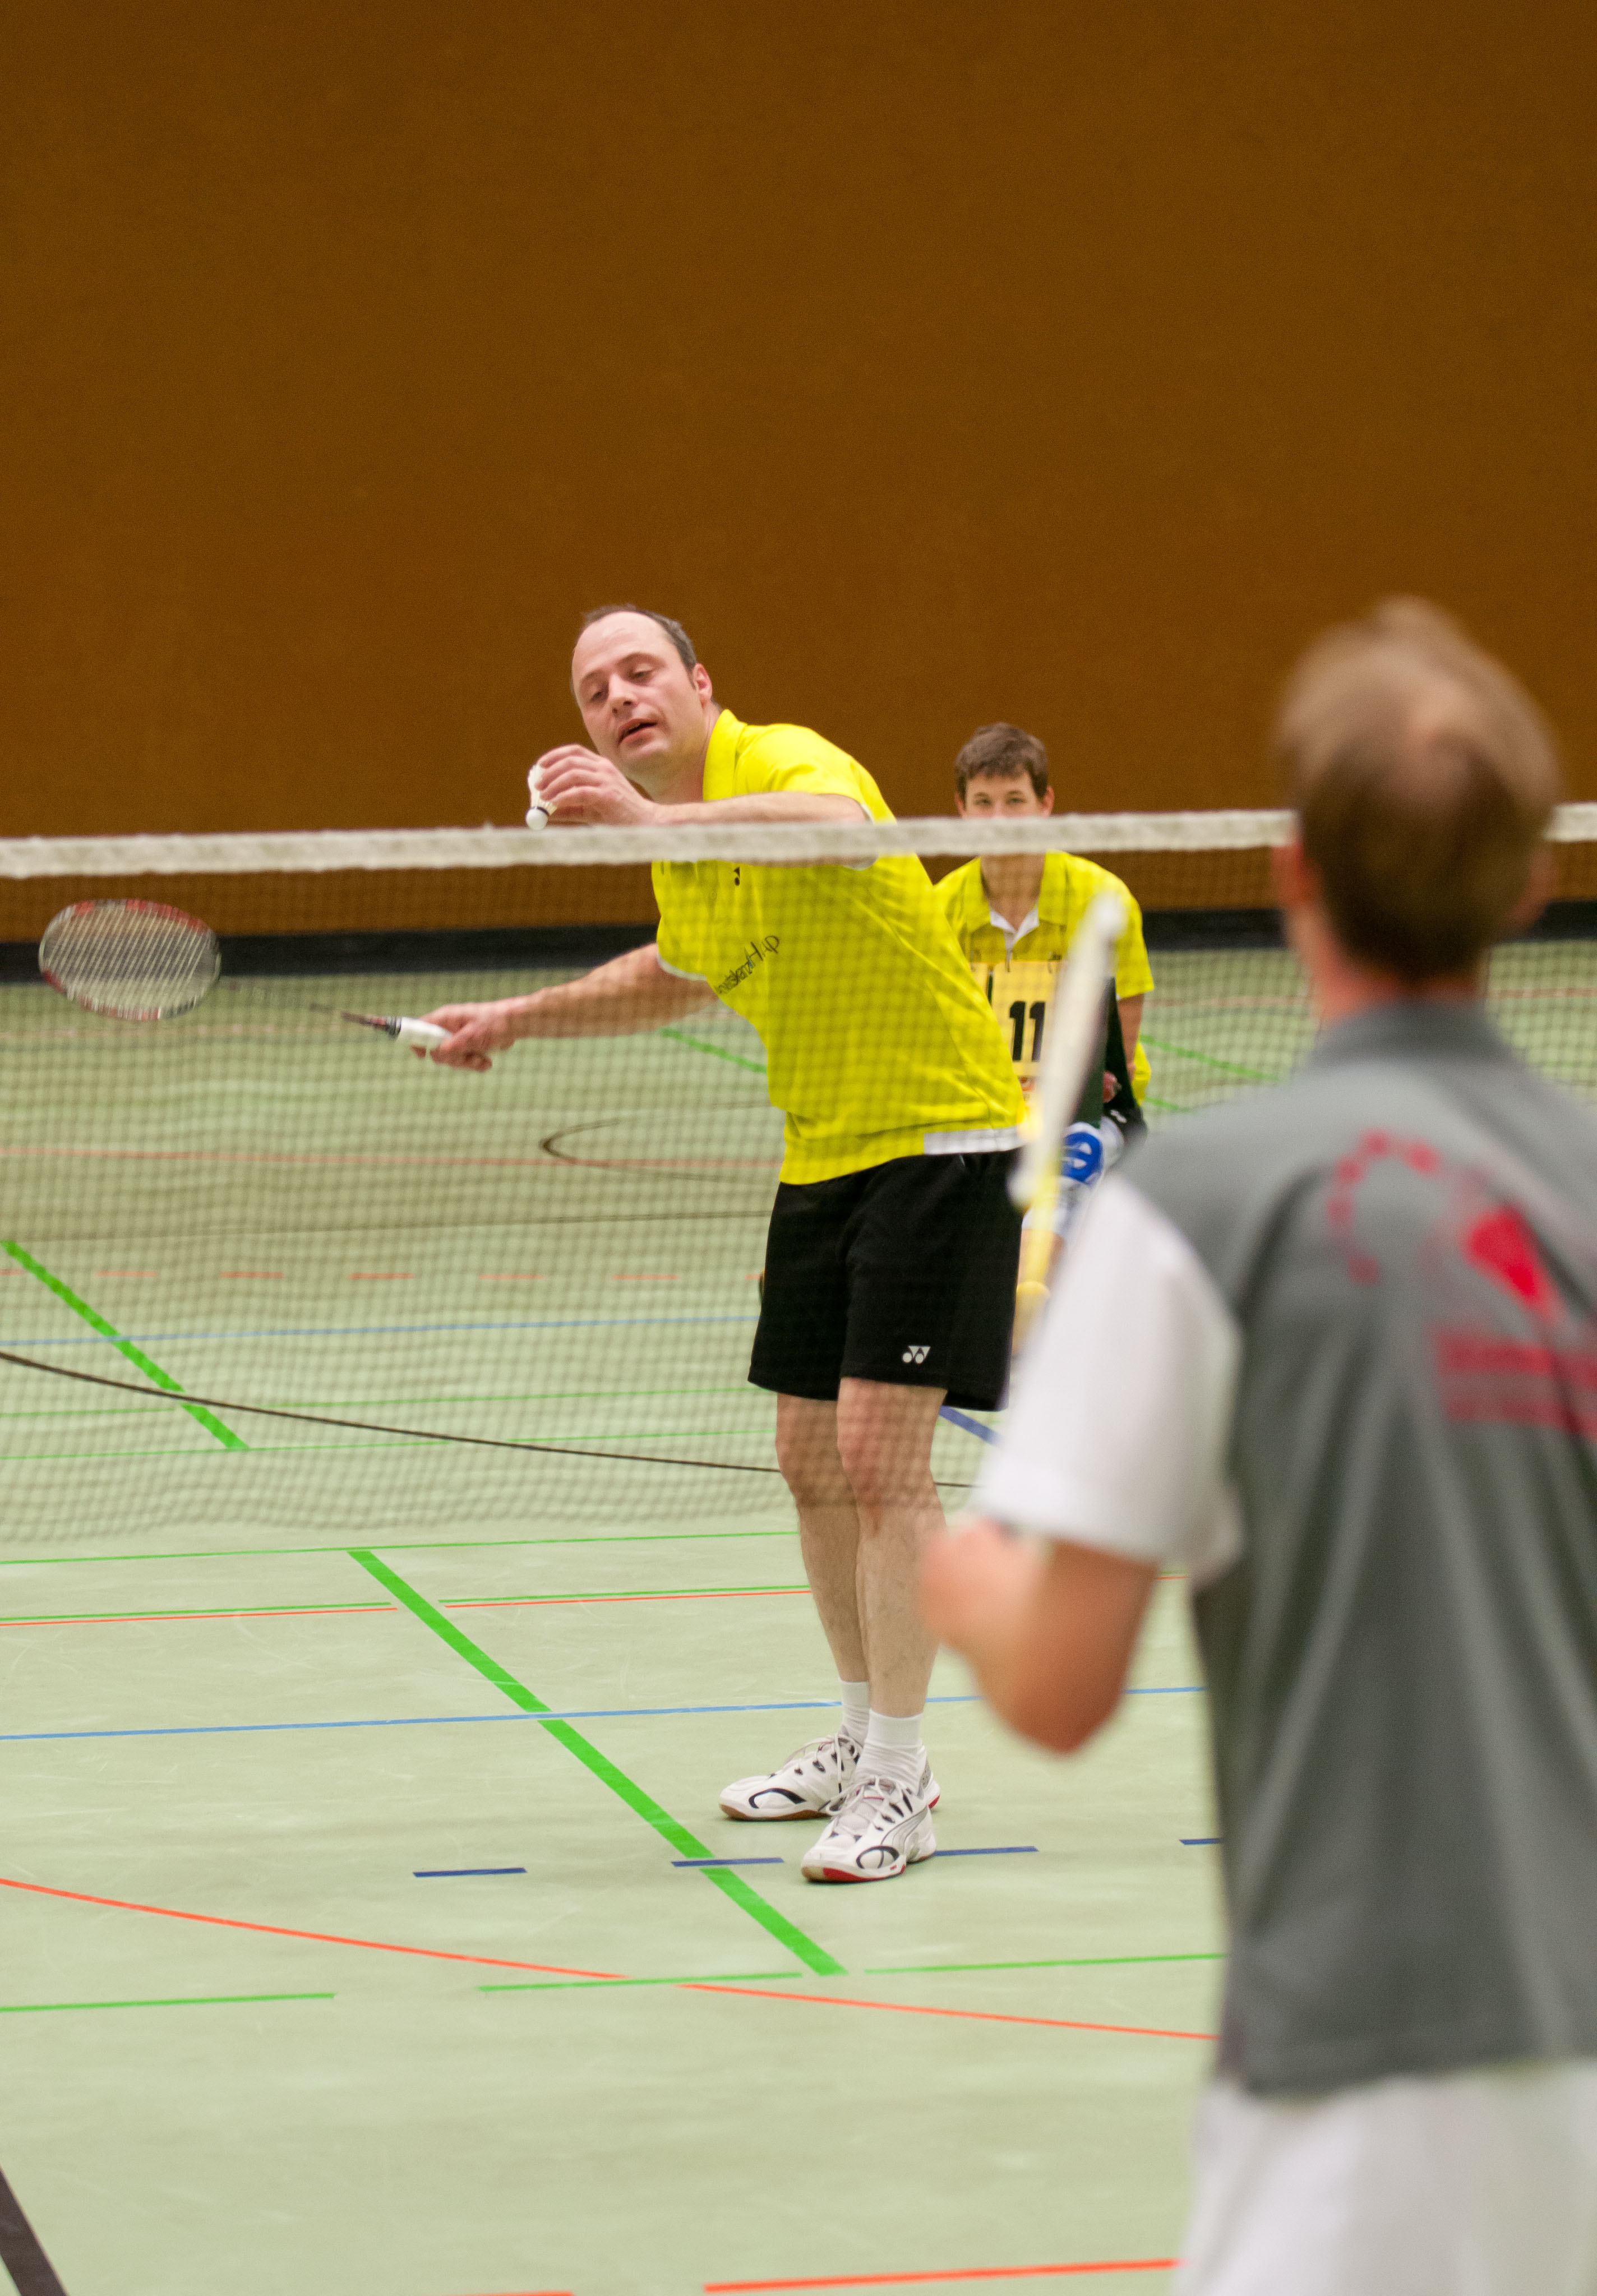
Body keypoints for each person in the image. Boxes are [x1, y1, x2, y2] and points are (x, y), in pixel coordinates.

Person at [923, 601, 1597, 2293]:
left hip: (1355, 2096)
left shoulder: (1204, 1207)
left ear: (1292, 874)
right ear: (1527, 881)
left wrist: (964, 1569)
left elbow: (1055, 1687)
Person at [427, 604, 1025, 1882]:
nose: (618, 697)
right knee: (807, 1458)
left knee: (878, 1455)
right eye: (595, 689)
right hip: (823, 1152)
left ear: (701, 685)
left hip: (942, 1138)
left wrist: (642, 823)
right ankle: (861, 1733)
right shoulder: (687, 859)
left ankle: (902, 1777)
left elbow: (841, 828)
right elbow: (674, 975)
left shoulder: (780, 758)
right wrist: (517, 1016)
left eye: (640, 670)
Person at [938, 722, 1153, 1333]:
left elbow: (1116, 1059)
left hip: (1086, 1111)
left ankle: (1028, 1299)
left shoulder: (1103, 902)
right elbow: (935, 1042)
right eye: (983, 802)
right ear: (961, 810)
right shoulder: (938, 911)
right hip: (981, 1109)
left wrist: (1055, 1100)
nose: (999, 818)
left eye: (1015, 800)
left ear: (1045, 803)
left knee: (1068, 1161)